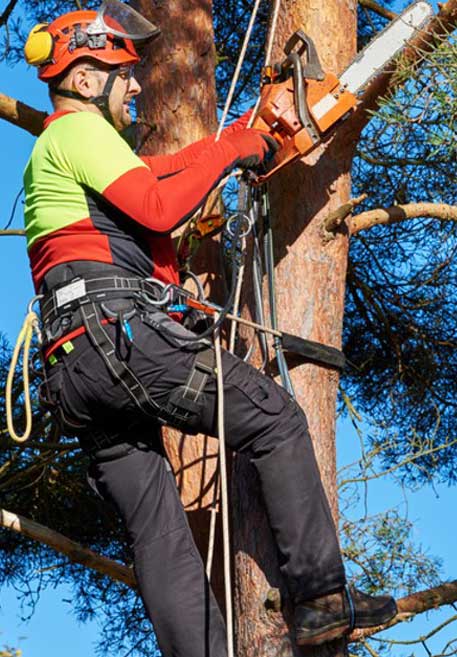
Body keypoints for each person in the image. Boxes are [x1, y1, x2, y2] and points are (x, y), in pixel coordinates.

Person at [23, 2, 397, 656]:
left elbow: (156, 180)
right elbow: (160, 205)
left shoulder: (68, 153)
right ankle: (319, 600)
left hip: (76, 366)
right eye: (122, 73)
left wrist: (231, 145)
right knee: (274, 417)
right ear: (84, 82)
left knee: (159, 530)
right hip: (116, 337)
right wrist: (229, 147)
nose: (136, 85)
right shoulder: (75, 132)